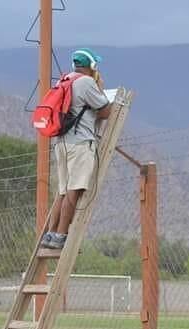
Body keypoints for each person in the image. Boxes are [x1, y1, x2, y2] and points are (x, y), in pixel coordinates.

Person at [42, 48, 111, 249]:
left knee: (62, 191)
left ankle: (50, 234)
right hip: (80, 144)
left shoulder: (63, 80)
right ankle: (62, 236)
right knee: (74, 190)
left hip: (61, 143)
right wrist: (99, 88)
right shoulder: (87, 83)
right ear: (92, 66)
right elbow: (105, 111)